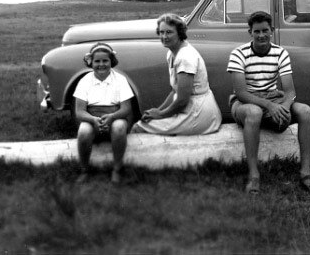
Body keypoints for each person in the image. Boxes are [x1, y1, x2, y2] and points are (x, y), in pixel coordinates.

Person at [227, 11, 310, 194]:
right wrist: (270, 106)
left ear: (271, 30)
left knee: (305, 111)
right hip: (245, 102)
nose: (261, 35)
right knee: (254, 113)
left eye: (265, 30)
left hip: (273, 98)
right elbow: (241, 93)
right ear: (250, 32)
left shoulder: (280, 53)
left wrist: (285, 108)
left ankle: (305, 174)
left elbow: (290, 92)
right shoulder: (238, 54)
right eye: (257, 31)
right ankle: (254, 176)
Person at [131, 13, 222, 135]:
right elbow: (175, 91)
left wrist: (161, 114)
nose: (164, 36)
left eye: (169, 32)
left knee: (139, 127)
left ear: (179, 33)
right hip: (190, 109)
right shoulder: (172, 53)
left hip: (198, 114)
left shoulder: (185, 57)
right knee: (147, 121)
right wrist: (158, 111)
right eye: (161, 32)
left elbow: (182, 100)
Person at [73, 41, 135, 185]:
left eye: (105, 60)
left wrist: (112, 117)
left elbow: (127, 108)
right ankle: (84, 169)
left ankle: (117, 168)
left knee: (119, 128)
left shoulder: (120, 80)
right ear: (91, 63)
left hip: (115, 116)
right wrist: (93, 120)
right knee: (83, 131)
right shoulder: (84, 81)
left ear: (111, 61)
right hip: (92, 117)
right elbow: (79, 111)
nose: (101, 64)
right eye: (97, 61)